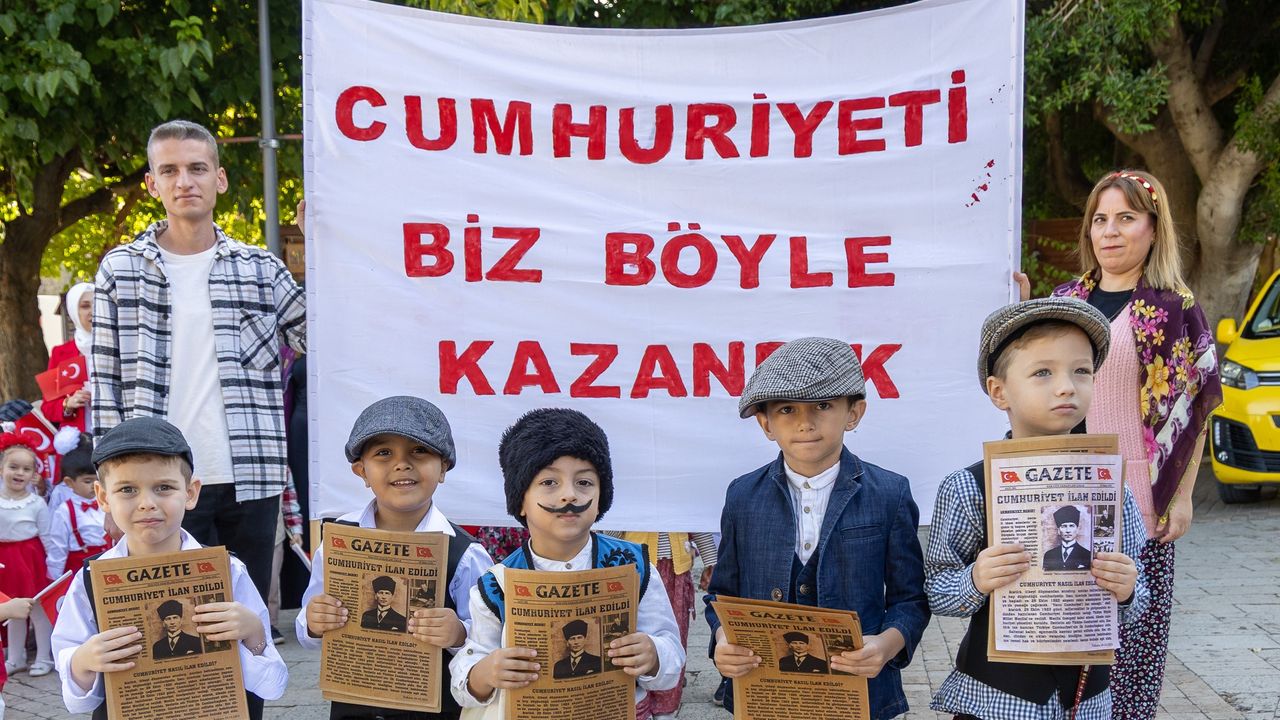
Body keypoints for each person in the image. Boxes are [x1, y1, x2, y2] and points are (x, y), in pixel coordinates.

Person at [91, 120, 306, 608]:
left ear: (219, 178)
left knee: (246, 616)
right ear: (152, 184)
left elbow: (319, 336)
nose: (184, 181)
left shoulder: (260, 269)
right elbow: (105, 384)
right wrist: (111, 487)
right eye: (170, 170)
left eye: (197, 168)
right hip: (159, 480)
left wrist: (323, 246)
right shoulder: (121, 269)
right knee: (173, 620)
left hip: (251, 472)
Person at [926, 297, 1150, 719]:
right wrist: (976, 579)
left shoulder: (1113, 489)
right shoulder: (969, 487)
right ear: (999, 391)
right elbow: (937, 591)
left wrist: (1127, 589)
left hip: (1087, 702)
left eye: (1081, 371)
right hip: (996, 702)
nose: (1066, 386)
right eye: (1043, 372)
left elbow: (1139, 600)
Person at [1052, 170, 1222, 718]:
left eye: (1126, 218)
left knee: (1130, 651)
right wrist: (1022, 310)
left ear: (1153, 228)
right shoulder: (1064, 301)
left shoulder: (1172, 308)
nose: (1110, 231)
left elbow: (1194, 409)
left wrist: (1184, 496)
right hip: (1060, 496)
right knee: (1059, 645)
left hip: (1137, 500)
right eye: (1100, 219)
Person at [704, 337, 930, 720]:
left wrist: (886, 645)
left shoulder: (890, 493)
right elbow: (722, 594)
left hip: (859, 692)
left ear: (854, 413)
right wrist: (723, 638)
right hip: (765, 692)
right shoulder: (742, 495)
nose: (805, 423)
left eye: (823, 406)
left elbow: (910, 600)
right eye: (786, 409)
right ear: (765, 423)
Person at [451, 408, 684, 720]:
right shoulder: (496, 585)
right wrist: (485, 672)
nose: (569, 495)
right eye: (549, 482)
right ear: (521, 499)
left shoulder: (634, 567)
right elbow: (465, 676)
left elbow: (672, 655)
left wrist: (653, 655)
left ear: (601, 496)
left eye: (584, 482)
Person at [50, 417, 287, 719]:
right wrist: (82, 661)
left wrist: (253, 633)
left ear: (190, 493)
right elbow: (77, 698)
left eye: (164, 487)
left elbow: (272, 685)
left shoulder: (228, 570)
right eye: (127, 489)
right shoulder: (89, 580)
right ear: (103, 497)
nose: (147, 503)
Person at [298, 395, 493, 720]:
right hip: (352, 708)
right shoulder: (336, 540)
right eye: (384, 453)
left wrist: (459, 633)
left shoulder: (465, 553)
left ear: (443, 467)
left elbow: (491, 640)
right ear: (361, 470)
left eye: (420, 450)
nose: (402, 464)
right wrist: (314, 623)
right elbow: (307, 626)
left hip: (434, 711)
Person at [0, 434, 54, 677]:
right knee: (12, 609)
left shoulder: (36, 503)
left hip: (30, 560)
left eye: (26, 469)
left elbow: (47, 536)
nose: (19, 473)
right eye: (13, 467)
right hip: (5, 562)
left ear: (34, 474)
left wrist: (52, 567)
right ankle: (16, 657)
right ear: (2, 469)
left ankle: (43, 657)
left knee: (36, 610)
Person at [42, 436, 112, 580]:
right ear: (69, 482)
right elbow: (58, 546)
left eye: (98, 480)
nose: (95, 485)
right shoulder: (64, 511)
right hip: (79, 568)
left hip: (108, 562)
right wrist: (55, 579)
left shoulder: (108, 503)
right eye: (88, 481)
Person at [45, 282, 94, 433]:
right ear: (73, 312)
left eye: (98, 305)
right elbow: (48, 407)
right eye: (85, 306)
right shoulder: (60, 353)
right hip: (78, 439)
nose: (93, 311)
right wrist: (68, 403)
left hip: (116, 436)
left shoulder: (118, 348)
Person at [1041, 505, 1092, 572]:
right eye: (1064, 526)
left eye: (1071, 526)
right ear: (1058, 531)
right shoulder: (1049, 555)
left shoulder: (1087, 555)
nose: (1068, 530)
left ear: (1077, 529)